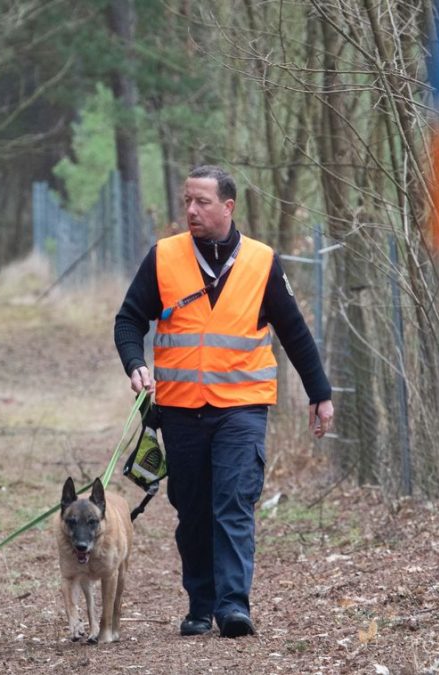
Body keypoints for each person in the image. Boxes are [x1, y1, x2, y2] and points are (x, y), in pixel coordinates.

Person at [114, 165, 335, 638]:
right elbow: (129, 320)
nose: (191, 210)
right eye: (187, 201)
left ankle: (233, 606)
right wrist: (135, 363)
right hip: (178, 409)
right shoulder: (164, 258)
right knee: (192, 509)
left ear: (228, 206)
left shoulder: (260, 261)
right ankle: (200, 604)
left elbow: (294, 332)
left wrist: (320, 394)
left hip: (242, 407)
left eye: (202, 202)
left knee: (233, 501)